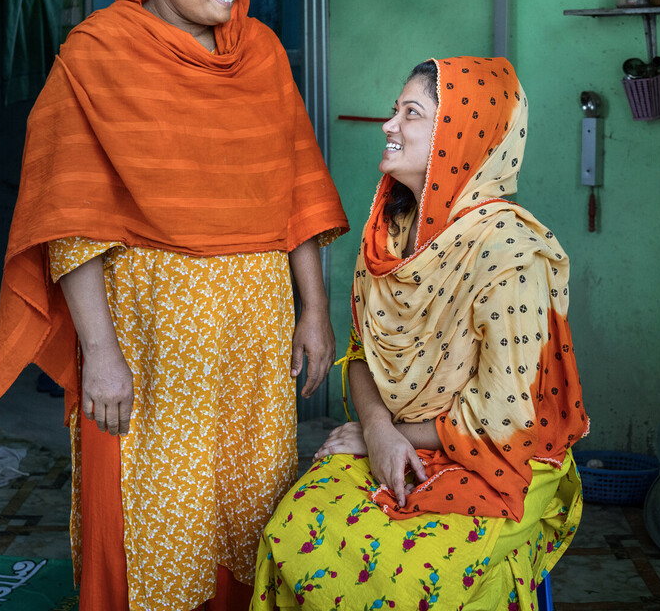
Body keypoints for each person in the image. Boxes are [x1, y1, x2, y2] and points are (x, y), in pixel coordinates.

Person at [0, 0, 348, 611]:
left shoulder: (262, 54)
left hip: (255, 327)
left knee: (250, 496)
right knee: (149, 500)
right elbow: (71, 220)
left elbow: (295, 190)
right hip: (148, 335)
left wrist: (314, 310)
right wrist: (103, 356)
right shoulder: (96, 55)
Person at [251, 57, 589, 610]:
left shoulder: (511, 255)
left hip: (501, 457)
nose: (389, 124)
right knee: (290, 535)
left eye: (412, 112)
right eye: (394, 110)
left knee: (409, 583)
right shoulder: (390, 233)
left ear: (464, 135)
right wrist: (379, 429)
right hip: (398, 436)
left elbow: (506, 416)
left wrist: (381, 436)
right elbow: (362, 353)